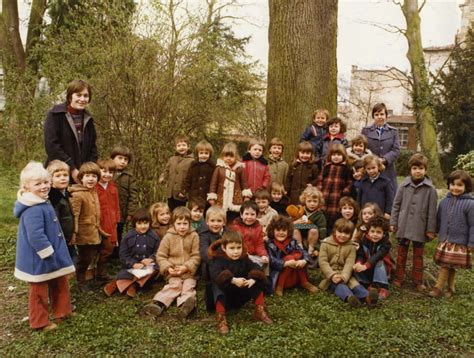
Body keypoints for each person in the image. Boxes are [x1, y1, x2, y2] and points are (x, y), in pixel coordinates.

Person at [14, 162, 75, 331]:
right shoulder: (32, 208)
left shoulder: (42, 201)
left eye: (46, 182)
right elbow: (36, 235)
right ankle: (39, 322)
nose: (44, 186)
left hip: (52, 254)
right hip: (40, 258)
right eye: (38, 184)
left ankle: (63, 312)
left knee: (60, 282)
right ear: (26, 187)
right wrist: (47, 253)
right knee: (38, 291)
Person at [208, 232, 272, 335]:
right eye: (232, 248)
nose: (236, 251)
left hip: (239, 296)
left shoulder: (244, 258)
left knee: (257, 278)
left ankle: (259, 311)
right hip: (225, 296)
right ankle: (221, 317)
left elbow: (257, 267)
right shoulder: (218, 259)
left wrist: (253, 279)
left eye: (238, 248)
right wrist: (232, 280)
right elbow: (215, 274)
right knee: (217, 284)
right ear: (224, 248)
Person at [390, 153, 437, 291]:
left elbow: (432, 212)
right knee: (401, 253)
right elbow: (396, 205)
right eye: (415, 168)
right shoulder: (403, 186)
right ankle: (399, 278)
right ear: (410, 169)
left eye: (421, 168)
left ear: (426, 170)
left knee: (418, 255)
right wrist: (393, 222)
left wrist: (430, 229)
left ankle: (418, 280)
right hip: (403, 226)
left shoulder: (430, 190)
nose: (418, 171)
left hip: (419, 227)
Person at [142, 207, 200, 318]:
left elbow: (196, 256)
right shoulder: (168, 237)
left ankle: (186, 305)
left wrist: (186, 267)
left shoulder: (194, 236)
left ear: (190, 223)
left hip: (189, 272)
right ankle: (159, 303)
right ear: (173, 224)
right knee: (175, 285)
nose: (182, 227)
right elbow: (161, 256)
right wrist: (168, 268)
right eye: (179, 223)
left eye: (185, 223)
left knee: (189, 286)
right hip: (173, 271)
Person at [429, 170, 474, 298]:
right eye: (453, 184)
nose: (455, 188)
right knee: (450, 265)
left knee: (446, 264)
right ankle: (450, 288)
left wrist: (471, 242)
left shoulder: (470, 204)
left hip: (459, 242)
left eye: (459, 185)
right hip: (445, 240)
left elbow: (473, 225)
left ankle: (438, 288)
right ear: (448, 185)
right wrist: (434, 231)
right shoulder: (444, 202)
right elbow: (439, 219)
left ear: (466, 187)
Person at [44, 79, 98, 183]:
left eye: (85, 96)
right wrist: (72, 169)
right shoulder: (55, 115)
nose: (82, 99)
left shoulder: (88, 119)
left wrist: (88, 171)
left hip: (82, 177)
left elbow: (93, 148)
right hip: (59, 175)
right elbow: (52, 146)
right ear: (70, 96)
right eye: (78, 95)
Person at [318, 218, 378, 307]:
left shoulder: (351, 246)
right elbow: (323, 262)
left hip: (346, 274)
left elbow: (349, 263)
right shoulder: (325, 243)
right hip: (330, 275)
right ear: (335, 231)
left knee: (355, 285)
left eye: (346, 233)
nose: (343, 235)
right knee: (340, 286)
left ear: (350, 234)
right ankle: (350, 298)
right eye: (340, 232)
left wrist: (344, 276)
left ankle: (368, 298)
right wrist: (332, 275)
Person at [103, 208, 160, 298]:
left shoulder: (154, 236)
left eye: (145, 223)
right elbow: (123, 254)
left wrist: (151, 258)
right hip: (132, 264)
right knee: (127, 272)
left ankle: (134, 285)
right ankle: (115, 284)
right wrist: (133, 264)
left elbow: (158, 251)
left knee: (152, 271)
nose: (143, 226)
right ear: (135, 224)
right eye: (139, 223)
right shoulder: (128, 237)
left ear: (150, 223)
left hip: (147, 265)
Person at [69, 162, 104, 291]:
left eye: (94, 176)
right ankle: (80, 282)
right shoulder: (77, 194)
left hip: (93, 231)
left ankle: (87, 277)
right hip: (82, 234)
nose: (91, 179)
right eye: (87, 176)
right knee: (83, 259)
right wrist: (74, 233)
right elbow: (75, 216)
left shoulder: (93, 192)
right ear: (81, 178)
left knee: (91, 255)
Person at [266, 216, 318, 296]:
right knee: (289, 258)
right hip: (279, 274)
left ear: (288, 231)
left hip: (294, 274)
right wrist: (285, 263)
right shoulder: (270, 244)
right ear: (272, 231)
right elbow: (271, 260)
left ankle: (304, 282)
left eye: (284, 230)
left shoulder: (292, 241)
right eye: (278, 230)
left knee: (297, 255)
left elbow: (302, 251)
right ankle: (280, 286)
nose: (281, 233)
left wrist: (304, 260)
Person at [208, 142, 252, 222]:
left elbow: (244, 183)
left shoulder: (239, 169)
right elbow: (213, 183)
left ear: (236, 157)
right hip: (221, 199)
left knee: (234, 219)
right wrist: (212, 197)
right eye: (226, 156)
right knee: (221, 217)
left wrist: (246, 196)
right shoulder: (219, 168)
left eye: (231, 156)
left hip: (235, 199)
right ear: (222, 156)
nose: (228, 158)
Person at [361, 103, 400, 193]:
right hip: (370, 170)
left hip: (388, 171)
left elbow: (396, 150)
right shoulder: (365, 131)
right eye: (376, 115)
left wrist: (384, 160)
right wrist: (373, 160)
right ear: (373, 116)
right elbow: (363, 149)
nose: (379, 117)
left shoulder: (393, 131)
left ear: (386, 115)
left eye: (382, 114)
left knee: (389, 197)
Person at [353, 216, 392, 300]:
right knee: (355, 265)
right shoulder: (364, 240)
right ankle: (366, 284)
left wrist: (365, 266)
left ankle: (382, 287)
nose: (375, 234)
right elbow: (361, 254)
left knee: (379, 263)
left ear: (384, 234)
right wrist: (359, 263)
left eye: (378, 232)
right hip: (368, 268)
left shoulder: (386, 244)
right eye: (372, 231)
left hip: (381, 269)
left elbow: (377, 256)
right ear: (368, 232)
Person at [316, 144, 352, 234]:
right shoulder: (326, 167)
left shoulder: (346, 169)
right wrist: (320, 189)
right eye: (334, 155)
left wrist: (345, 191)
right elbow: (320, 179)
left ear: (343, 156)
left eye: (339, 155)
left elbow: (350, 183)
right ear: (330, 156)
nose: (336, 157)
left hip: (337, 198)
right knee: (323, 217)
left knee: (334, 218)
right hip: (325, 197)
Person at [95, 159, 121, 282]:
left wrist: (116, 219)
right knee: (95, 249)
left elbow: (116, 206)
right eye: (104, 171)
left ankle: (102, 272)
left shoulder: (113, 188)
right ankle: (89, 274)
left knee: (108, 248)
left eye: (110, 172)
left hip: (111, 223)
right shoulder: (94, 188)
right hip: (98, 222)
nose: (107, 174)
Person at [46, 160, 75, 259]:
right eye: (58, 176)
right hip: (59, 241)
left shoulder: (66, 194)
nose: (63, 178)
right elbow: (55, 223)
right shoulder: (54, 198)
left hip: (68, 238)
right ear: (50, 179)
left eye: (65, 175)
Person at [111, 145, 139, 244]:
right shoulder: (107, 173)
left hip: (122, 211)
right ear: (113, 158)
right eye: (120, 158)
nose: (123, 162)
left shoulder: (129, 177)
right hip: (108, 210)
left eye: (126, 159)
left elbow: (133, 195)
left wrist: (130, 212)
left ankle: (117, 253)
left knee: (119, 231)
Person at [159, 135, 194, 211]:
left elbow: (191, 178)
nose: (181, 147)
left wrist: (185, 192)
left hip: (181, 193)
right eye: (179, 146)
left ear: (188, 146)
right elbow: (166, 170)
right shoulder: (172, 159)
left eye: (184, 145)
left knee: (180, 212)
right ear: (175, 148)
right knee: (171, 211)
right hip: (171, 192)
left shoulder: (191, 161)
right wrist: (163, 178)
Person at [289, 186, 326, 257]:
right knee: (294, 229)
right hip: (299, 236)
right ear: (304, 201)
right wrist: (295, 222)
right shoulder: (299, 210)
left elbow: (322, 232)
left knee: (314, 229)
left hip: (312, 239)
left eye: (315, 201)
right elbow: (288, 223)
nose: (312, 204)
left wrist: (318, 248)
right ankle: (300, 249)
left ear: (319, 202)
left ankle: (310, 250)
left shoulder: (320, 215)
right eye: (309, 201)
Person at [230, 201, 269, 267]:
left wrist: (263, 255)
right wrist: (243, 252)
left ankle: (264, 276)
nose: (249, 217)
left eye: (252, 214)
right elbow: (235, 243)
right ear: (241, 215)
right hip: (239, 255)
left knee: (265, 260)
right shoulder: (236, 227)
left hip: (253, 255)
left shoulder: (258, 227)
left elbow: (259, 244)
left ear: (256, 215)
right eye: (246, 214)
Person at [358, 155, 393, 219]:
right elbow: (359, 198)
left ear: (378, 167)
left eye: (373, 168)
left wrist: (388, 212)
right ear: (365, 169)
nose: (371, 171)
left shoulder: (385, 182)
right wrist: (360, 211)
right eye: (368, 169)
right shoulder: (363, 182)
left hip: (380, 214)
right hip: (366, 215)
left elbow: (390, 199)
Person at [182, 140, 215, 205]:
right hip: (194, 195)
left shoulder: (212, 166)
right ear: (197, 153)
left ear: (210, 154)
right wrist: (184, 190)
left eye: (206, 153)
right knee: (193, 211)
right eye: (201, 153)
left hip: (206, 195)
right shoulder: (193, 165)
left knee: (206, 212)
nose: (203, 155)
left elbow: (214, 182)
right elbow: (188, 179)